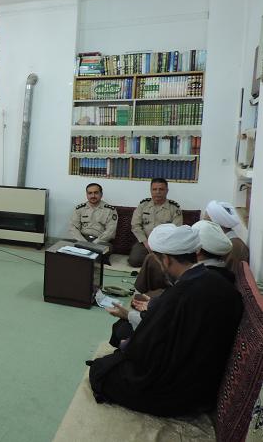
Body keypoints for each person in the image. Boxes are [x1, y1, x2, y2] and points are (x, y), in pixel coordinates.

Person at [89, 224, 242, 417]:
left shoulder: (179, 295)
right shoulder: (221, 282)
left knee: (100, 370)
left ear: (167, 259)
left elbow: (144, 348)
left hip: (178, 393)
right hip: (205, 384)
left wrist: (127, 346)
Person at [108, 219, 233, 348]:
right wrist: (155, 305)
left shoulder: (187, 288)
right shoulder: (216, 277)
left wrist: (128, 325)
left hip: (180, 351)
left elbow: (162, 328)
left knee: (120, 329)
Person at [131, 178, 183, 295]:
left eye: (161, 189)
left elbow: (176, 230)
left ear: (167, 191)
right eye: (154, 189)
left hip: (165, 244)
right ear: (150, 190)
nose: (157, 192)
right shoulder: (143, 205)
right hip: (145, 242)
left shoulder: (174, 208)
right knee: (134, 260)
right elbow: (135, 225)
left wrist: (162, 246)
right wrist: (145, 242)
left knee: (167, 262)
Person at [203, 200, 249, 275]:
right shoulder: (225, 241)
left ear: (215, 223)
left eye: (206, 220)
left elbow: (226, 276)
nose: (204, 224)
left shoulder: (233, 246)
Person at [68, 182, 117, 249]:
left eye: (96, 193)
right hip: (82, 239)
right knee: (63, 246)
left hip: (101, 241)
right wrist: (83, 242)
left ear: (101, 194)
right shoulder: (80, 209)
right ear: (87, 195)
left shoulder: (110, 210)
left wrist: (94, 243)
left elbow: (110, 231)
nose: (93, 196)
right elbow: (73, 227)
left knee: (105, 249)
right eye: (90, 193)